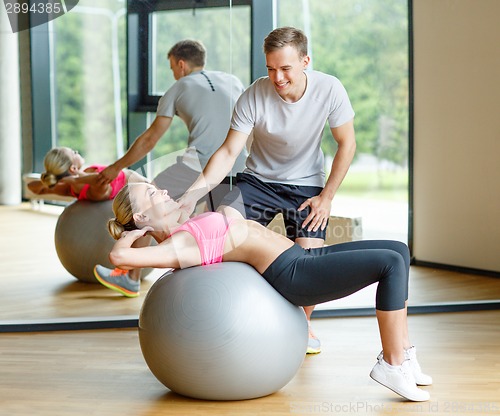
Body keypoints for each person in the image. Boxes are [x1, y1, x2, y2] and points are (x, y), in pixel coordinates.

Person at [96, 182, 432, 402]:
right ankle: (391, 363)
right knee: (390, 264)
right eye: (152, 194)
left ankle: (405, 353)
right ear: (141, 215)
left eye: (156, 187)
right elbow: (119, 256)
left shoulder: (184, 228)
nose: (162, 191)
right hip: (295, 274)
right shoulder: (176, 246)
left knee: (399, 250)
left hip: (299, 257)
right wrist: (128, 233)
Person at [178, 27, 356, 354]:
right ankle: (226, 315)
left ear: (305, 61)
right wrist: (192, 193)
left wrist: (327, 197)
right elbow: (229, 151)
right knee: (221, 226)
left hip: (307, 186)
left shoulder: (329, 89)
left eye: (286, 68)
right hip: (258, 180)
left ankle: (301, 324)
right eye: (270, 68)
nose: (278, 78)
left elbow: (347, 143)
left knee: (309, 261)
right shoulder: (254, 94)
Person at [94, 39, 248, 290]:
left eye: (172, 68)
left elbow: (150, 140)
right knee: (223, 230)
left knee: (145, 199)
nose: (174, 73)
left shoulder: (178, 87)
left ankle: (129, 277)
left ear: (181, 64)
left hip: (199, 163)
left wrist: (115, 168)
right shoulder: (233, 80)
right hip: (239, 164)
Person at [27, 147, 145, 202]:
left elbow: (32, 187)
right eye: (74, 153)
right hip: (140, 187)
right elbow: (99, 179)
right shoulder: (94, 188)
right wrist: (74, 179)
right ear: (73, 168)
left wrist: (52, 179)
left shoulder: (69, 188)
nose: (77, 152)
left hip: (139, 184)